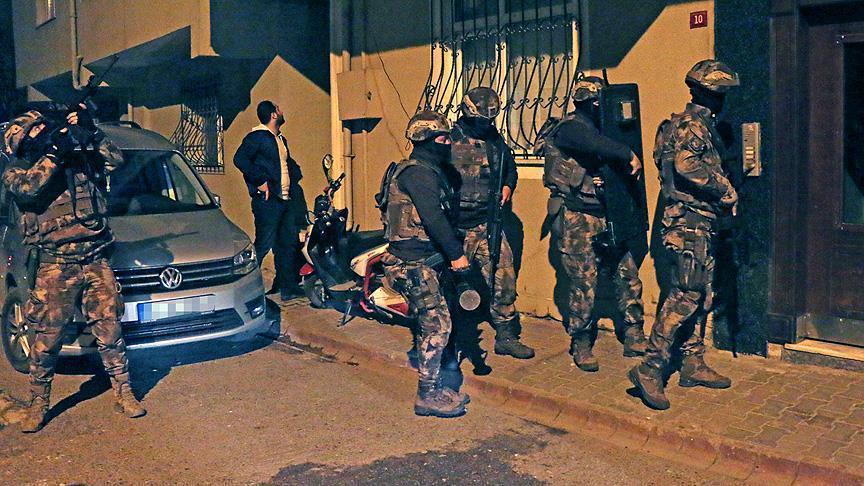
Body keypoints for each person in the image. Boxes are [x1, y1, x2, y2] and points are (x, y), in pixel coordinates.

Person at [2, 107, 146, 433]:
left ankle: (123, 392)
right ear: (20, 142)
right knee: (47, 339)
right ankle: (38, 403)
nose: (41, 131)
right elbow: (29, 188)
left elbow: (116, 160)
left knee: (110, 330)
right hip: (55, 266)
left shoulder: (76, 157)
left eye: (42, 126)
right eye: (33, 130)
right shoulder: (16, 170)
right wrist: (55, 153)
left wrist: (91, 132)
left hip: (95, 258)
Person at [629, 60, 740, 410]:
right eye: (722, 94)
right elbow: (686, 166)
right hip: (689, 222)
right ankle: (650, 367)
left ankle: (692, 362)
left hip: (697, 221)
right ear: (713, 94)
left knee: (701, 293)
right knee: (686, 295)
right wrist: (724, 189)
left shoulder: (680, 125)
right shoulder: (693, 126)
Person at [536, 76, 648, 372]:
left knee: (627, 274)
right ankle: (581, 341)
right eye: (597, 102)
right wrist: (627, 154)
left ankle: (634, 333)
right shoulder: (570, 128)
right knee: (584, 282)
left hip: (610, 215)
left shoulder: (604, 130)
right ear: (590, 103)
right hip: (578, 217)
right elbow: (590, 143)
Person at [380, 110, 470, 418]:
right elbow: (433, 219)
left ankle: (437, 385)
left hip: (424, 259)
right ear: (426, 140)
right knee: (437, 325)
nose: (448, 144)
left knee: (435, 323)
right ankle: (427, 395)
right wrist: (456, 254)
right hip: (412, 262)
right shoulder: (418, 174)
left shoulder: (430, 170)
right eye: (442, 138)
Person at [449, 87, 534, 360]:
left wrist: (508, 186)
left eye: (490, 120)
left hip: (487, 224)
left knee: (504, 278)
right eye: (481, 120)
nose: (486, 125)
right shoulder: (449, 139)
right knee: (449, 284)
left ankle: (506, 336)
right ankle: (450, 339)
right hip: (454, 227)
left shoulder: (495, 140)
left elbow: (510, 169)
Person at [234, 100, 304, 301]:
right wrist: (260, 181)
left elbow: (284, 165)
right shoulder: (257, 137)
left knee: (287, 244)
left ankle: (287, 288)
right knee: (264, 244)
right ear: (273, 114)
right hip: (267, 202)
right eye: (279, 109)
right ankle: (244, 289)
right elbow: (240, 159)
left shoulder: (280, 138)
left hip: (285, 199)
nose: (282, 111)